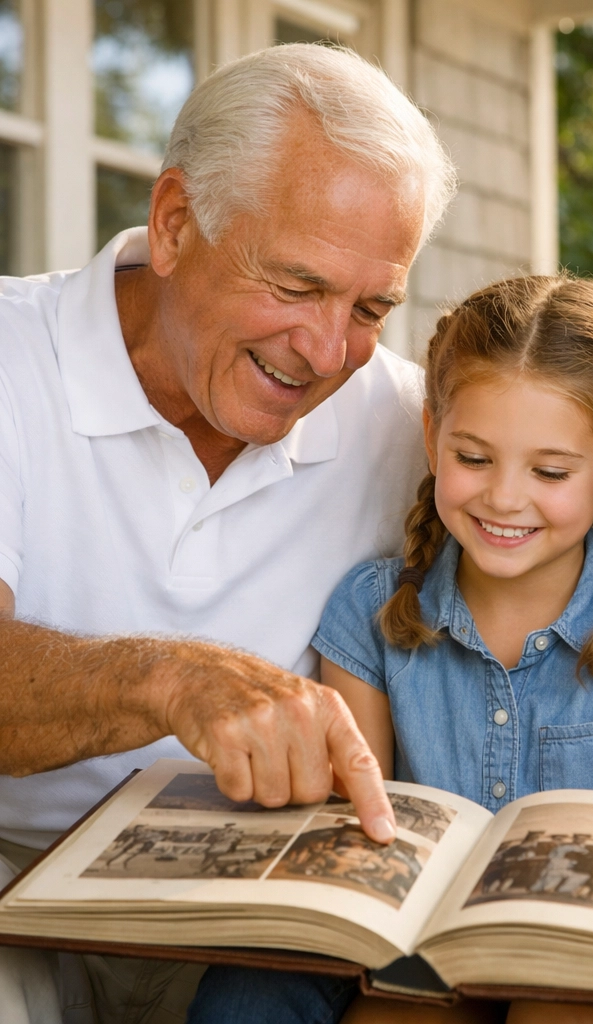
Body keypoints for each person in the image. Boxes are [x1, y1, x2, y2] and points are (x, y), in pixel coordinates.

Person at [0, 42, 456, 1024]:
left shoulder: (413, 428)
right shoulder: (10, 355)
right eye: (294, 286)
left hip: (252, 918)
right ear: (174, 223)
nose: (328, 352)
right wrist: (169, 679)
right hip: (12, 891)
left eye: (371, 307)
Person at [189, 274, 593, 1024]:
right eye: (474, 458)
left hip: (589, 959)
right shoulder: (370, 610)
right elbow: (359, 843)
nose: (504, 498)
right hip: (417, 954)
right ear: (432, 437)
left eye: (549, 472)